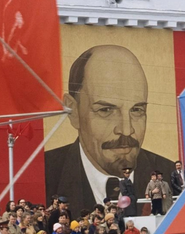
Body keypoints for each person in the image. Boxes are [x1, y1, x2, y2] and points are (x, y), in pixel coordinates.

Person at [44, 45, 174, 209]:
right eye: (106, 110)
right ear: (73, 110)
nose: (126, 130)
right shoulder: (44, 174)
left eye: (136, 110)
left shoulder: (168, 172)